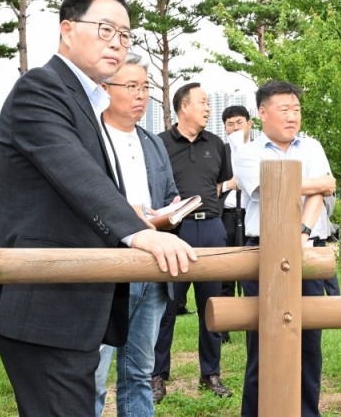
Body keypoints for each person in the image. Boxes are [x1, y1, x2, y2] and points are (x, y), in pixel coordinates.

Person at [0, 0, 195, 416]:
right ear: (67, 30)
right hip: (43, 303)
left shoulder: (85, 100)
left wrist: (137, 217)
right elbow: (75, 173)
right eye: (105, 29)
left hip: (69, 302)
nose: (117, 42)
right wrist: (138, 233)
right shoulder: (41, 88)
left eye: (125, 35)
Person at [233, 80, 336, 417]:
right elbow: (269, 188)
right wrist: (316, 183)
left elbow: (322, 192)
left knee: (309, 345)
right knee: (263, 346)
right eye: (284, 110)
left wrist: (302, 233)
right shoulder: (247, 152)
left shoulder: (312, 146)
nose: (293, 117)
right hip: (263, 252)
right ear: (262, 113)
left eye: (296, 109)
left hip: (306, 251)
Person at [93, 58, 180, 416]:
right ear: (104, 89)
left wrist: (171, 211)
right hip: (105, 269)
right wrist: (129, 215)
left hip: (151, 267)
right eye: (131, 87)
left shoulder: (152, 142)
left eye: (145, 87)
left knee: (140, 372)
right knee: (93, 375)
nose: (141, 95)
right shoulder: (91, 137)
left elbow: (169, 193)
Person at [152, 83, 232, 402]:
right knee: (167, 306)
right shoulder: (159, 144)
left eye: (209, 102)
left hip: (211, 228)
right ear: (184, 106)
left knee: (211, 306)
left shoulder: (217, 144)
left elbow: (219, 184)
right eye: (202, 102)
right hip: (174, 231)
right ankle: (157, 375)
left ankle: (210, 373)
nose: (208, 108)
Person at [218, 105, 252, 344]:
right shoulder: (220, 152)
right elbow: (209, 185)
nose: (235, 128)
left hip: (251, 215)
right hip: (226, 215)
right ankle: (224, 327)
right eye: (230, 124)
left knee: (252, 268)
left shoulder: (258, 150)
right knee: (226, 269)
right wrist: (229, 185)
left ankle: (253, 320)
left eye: (239, 122)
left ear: (249, 123)